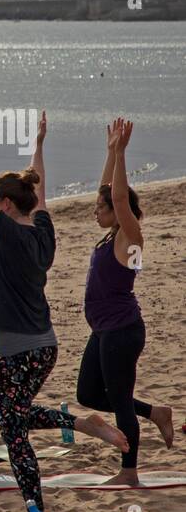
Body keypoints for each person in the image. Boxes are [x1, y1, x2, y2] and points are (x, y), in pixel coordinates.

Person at [0, 111, 127, 512]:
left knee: (13, 430)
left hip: (14, 351)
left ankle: (34, 507)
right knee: (17, 416)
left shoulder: (11, 236)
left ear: (6, 206)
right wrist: (38, 146)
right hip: (44, 347)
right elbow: (38, 190)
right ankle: (83, 424)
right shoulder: (43, 230)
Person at [76, 118, 174, 485]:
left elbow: (116, 197)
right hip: (103, 331)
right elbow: (108, 191)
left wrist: (121, 153)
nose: (95, 211)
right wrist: (109, 152)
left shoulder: (130, 237)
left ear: (118, 212)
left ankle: (129, 472)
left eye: (100, 208)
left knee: (119, 400)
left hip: (122, 331)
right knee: (87, 392)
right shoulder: (111, 236)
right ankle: (156, 412)